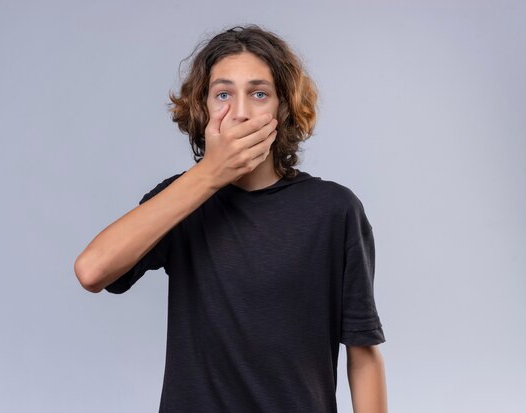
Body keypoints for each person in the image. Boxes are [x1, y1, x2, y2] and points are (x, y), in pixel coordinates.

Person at [74, 25, 388, 413]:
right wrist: (209, 174)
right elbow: (92, 270)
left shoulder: (334, 210)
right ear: (203, 109)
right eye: (223, 94)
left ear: (282, 108)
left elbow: (363, 352)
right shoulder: (182, 199)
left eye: (259, 94)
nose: (240, 112)